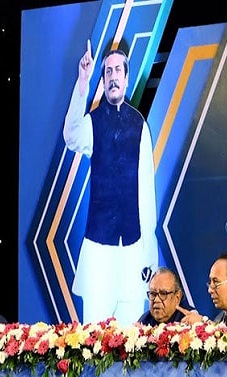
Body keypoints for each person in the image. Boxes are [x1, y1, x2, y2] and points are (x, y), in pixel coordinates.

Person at [63, 40, 158, 324]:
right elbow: (71, 136)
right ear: (103, 81)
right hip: (98, 250)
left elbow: (147, 194)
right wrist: (82, 82)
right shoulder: (92, 122)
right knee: (94, 338)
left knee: (132, 339)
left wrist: (149, 257)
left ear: (127, 79)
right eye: (108, 72)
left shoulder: (139, 125)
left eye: (118, 71)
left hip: (132, 250)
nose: (113, 77)